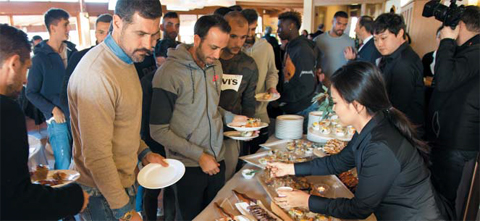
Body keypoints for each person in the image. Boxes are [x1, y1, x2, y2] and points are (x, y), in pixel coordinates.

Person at [268, 61, 445, 221]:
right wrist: (289, 168)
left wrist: (307, 201)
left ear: (357, 105)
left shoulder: (380, 146)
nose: (333, 109)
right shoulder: (372, 124)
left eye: (336, 102)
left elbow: (359, 209)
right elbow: (338, 162)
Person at [67, 0, 168, 220]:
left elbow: (124, 126)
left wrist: (144, 153)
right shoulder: (97, 73)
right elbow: (96, 157)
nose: (149, 44)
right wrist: (125, 211)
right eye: (140, 34)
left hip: (122, 182)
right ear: (117, 22)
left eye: (154, 36)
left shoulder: (126, 59)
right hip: (101, 193)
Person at [149, 15, 246, 220]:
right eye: (213, 48)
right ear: (196, 39)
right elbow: (158, 130)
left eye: (222, 49)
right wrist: (199, 156)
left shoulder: (215, 66)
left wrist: (230, 118)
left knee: (216, 216)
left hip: (217, 159)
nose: (217, 55)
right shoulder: (169, 73)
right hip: (188, 166)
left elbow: (209, 107)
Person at [0, 23, 89, 221]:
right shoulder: (6, 111)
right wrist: (74, 198)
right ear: (13, 63)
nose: (25, 80)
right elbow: (16, 201)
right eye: (26, 69)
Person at [427, 6, 480, 220]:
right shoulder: (470, 51)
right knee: (443, 196)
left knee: (445, 199)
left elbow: (445, 80)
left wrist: (447, 41)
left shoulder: (476, 52)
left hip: (456, 141)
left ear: (460, 26)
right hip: (452, 137)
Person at [141, 11, 181, 221]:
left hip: (174, 140)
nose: (161, 72)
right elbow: (141, 119)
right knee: (152, 188)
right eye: (158, 66)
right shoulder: (146, 83)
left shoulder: (179, 82)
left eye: (166, 66)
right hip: (151, 141)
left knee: (173, 187)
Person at [26, 8, 77, 170]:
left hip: (77, 115)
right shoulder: (39, 59)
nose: (69, 29)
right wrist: (53, 109)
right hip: (57, 119)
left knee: (79, 161)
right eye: (65, 25)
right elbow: (30, 93)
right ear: (53, 28)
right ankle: (61, 194)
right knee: (64, 162)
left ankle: (78, 194)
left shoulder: (72, 52)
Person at [219, 11, 259, 180]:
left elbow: (249, 101)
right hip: (201, 133)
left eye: (243, 37)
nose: (238, 43)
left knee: (227, 180)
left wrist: (248, 128)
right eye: (233, 36)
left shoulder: (248, 65)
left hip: (231, 134)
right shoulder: (210, 59)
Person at [373, 13, 425, 134]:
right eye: (375, 39)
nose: (379, 44)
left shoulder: (404, 62)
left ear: (400, 33)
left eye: (383, 38)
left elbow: (398, 105)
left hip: (405, 128)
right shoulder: (392, 56)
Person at [60, 13, 112, 117]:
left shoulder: (124, 60)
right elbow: (66, 94)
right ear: (95, 34)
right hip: (87, 118)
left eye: (110, 32)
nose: (106, 37)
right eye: (101, 32)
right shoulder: (79, 57)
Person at [242, 9, 279, 154]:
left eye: (253, 29)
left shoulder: (266, 47)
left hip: (260, 112)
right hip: (239, 113)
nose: (250, 34)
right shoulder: (234, 48)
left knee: (259, 154)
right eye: (247, 30)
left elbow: (272, 72)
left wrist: (271, 87)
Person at [277, 11, 317, 131]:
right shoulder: (291, 46)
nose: (278, 30)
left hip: (302, 109)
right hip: (291, 106)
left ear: (291, 26)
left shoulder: (302, 50)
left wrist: (282, 99)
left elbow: (307, 85)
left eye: (280, 27)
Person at [314, 11, 355, 79]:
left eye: (344, 24)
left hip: (342, 83)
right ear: (333, 22)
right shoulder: (318, 40)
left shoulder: (350, 41)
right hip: (323, 83)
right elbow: (312, 63)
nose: (341, 27)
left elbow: (353, 64)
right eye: (339, 23)